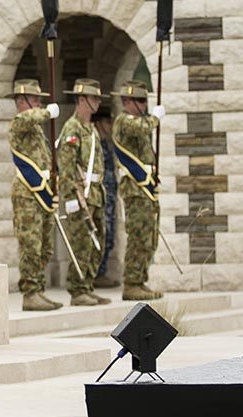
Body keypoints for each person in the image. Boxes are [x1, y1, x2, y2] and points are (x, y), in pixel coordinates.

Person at [8, 79, 62, 311]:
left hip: (43, 191)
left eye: (41, 100)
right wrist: (47, 112)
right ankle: (29, 293)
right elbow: (28, 119)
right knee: (30, 244)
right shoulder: (20, 123)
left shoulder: (37, 130)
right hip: (27, 193)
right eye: (36, 99)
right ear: (22, 101)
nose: (40, 103)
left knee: (44, 246)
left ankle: (38, 289)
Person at [57, 79, 112, 306]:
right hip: (81, 195)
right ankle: (78, 289)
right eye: (94, 98)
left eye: (98, 98)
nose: (98, 102)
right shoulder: (73, 128)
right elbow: (67, 167)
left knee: (97, 242)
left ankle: (88, 285)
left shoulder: (90, 129)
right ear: (81, 100)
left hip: (96, 194)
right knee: (81, 242)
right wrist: (73, 197)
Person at [110, 80, 165, 301]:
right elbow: (141, 127)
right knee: (138, 236)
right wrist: (155, 118)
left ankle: (140, 279)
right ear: (127, 101)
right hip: (134, 189)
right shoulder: (124, 121)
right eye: (140, 101)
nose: (144, 105)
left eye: (145, 101)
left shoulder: (139, 121)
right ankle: (131, 283)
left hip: (146, 188)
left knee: (149, 237)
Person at [93, 106, 121, 289]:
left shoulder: (107, 145)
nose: (110, 126)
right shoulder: (95, 144)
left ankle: (100, 272)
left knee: (109, 235)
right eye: (107, 122)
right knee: (100, 234)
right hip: (100, 196)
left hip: (110, 196)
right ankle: (95, 273)